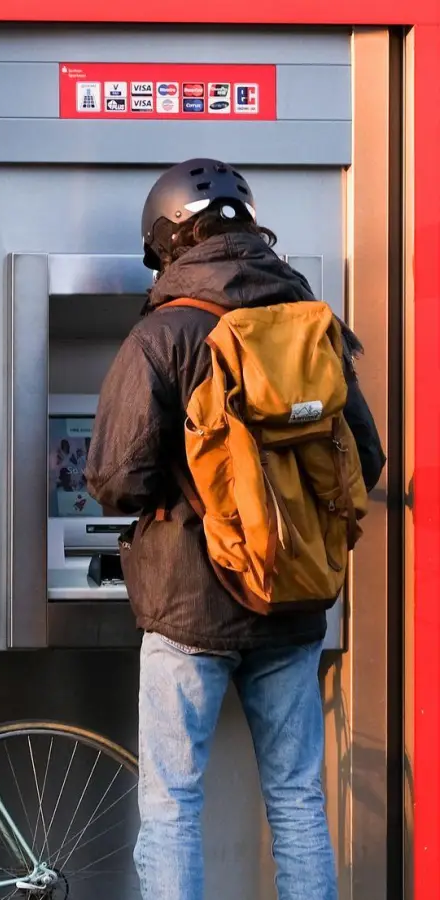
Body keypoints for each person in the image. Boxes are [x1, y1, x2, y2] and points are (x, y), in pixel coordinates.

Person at [83, 157, 386, 900]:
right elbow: (366, 458)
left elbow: (115, 479)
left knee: (173, 802)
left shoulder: (165, 333)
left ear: (167, 239)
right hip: (294, 596)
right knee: (297, 799)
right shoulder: (313, 327)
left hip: (191, 604)